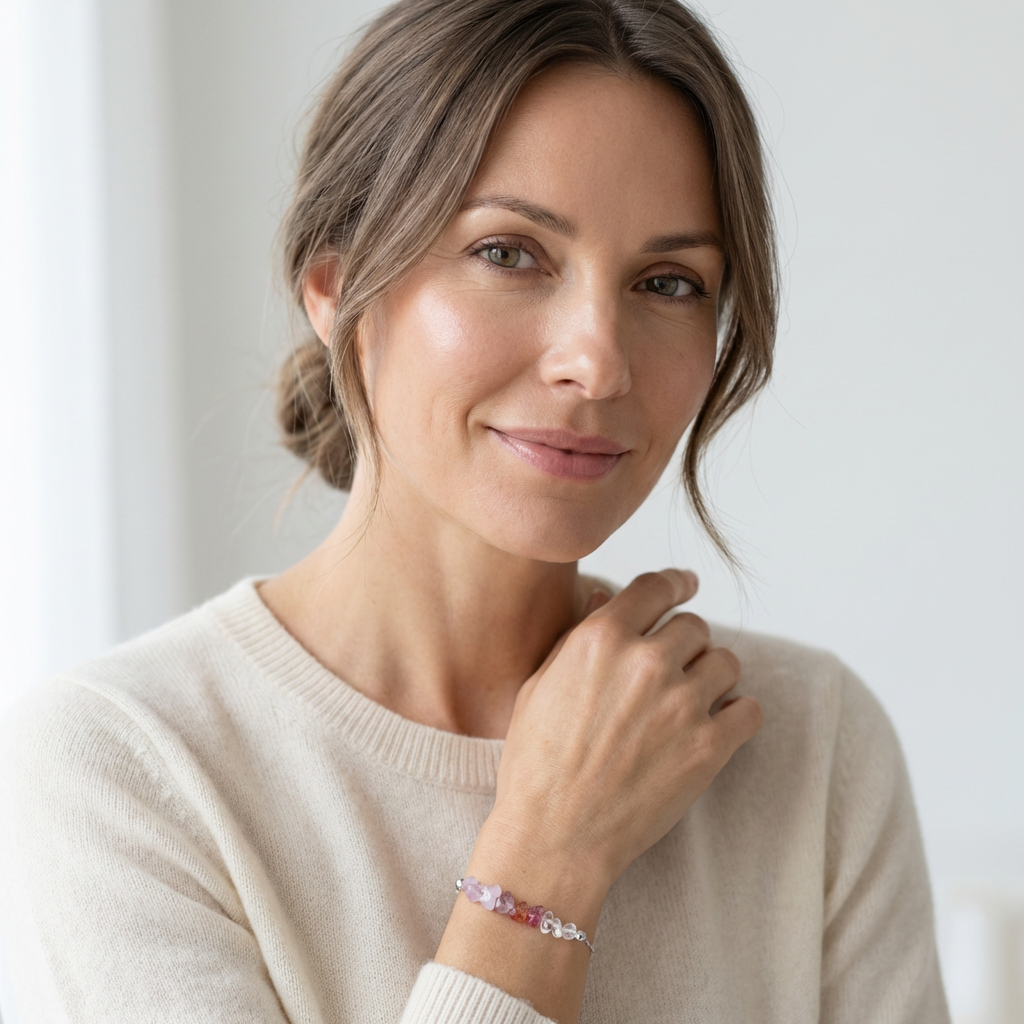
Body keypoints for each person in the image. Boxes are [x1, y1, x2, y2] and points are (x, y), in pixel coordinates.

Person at [0, 0, 949, 1021]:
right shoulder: (128, 765)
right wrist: (547, 857)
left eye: (667, 282)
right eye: (509, 253)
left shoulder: (805, 744)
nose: (596, 359)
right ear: (335, 285)